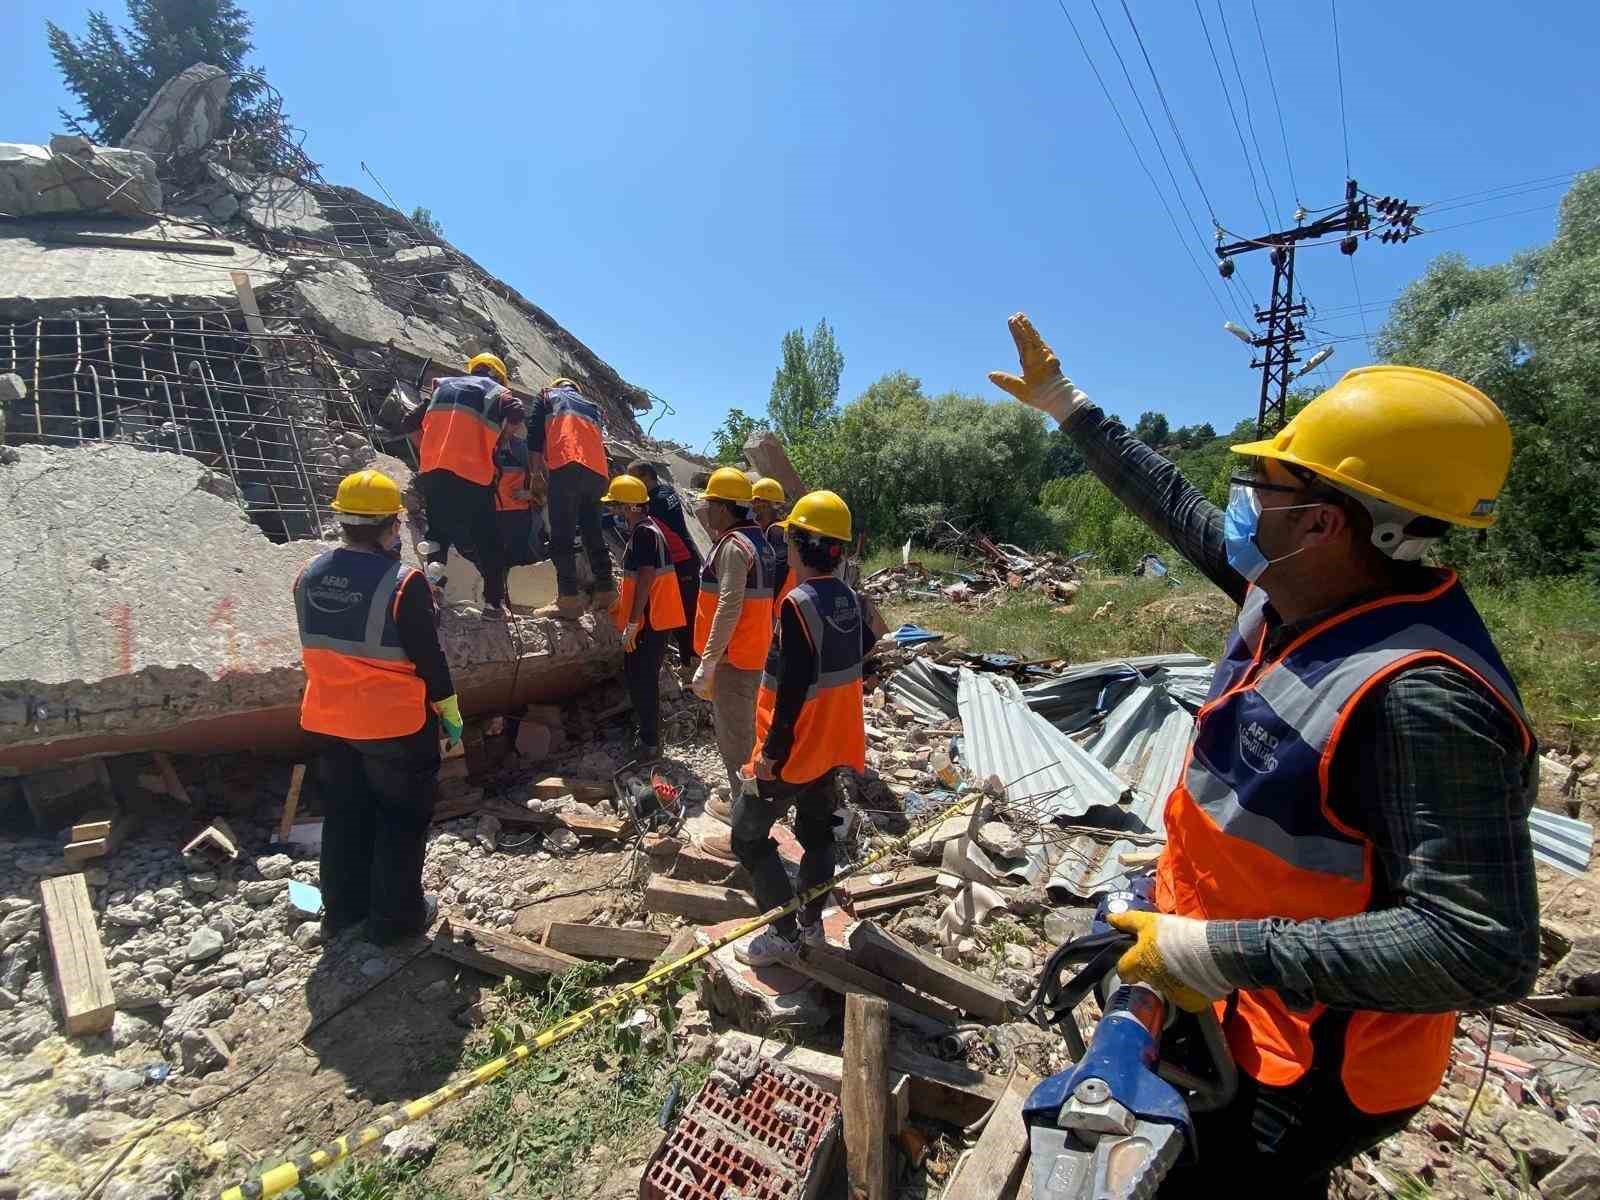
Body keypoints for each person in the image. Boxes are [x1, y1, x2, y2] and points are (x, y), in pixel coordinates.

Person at [990, 314, 1538, 1193]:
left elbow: (1480, 947)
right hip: (1222, 988)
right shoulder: (1289, 587)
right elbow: (1172, 503)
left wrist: (1212, 954)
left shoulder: (1421, 694)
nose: (1241, 499)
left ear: (1320, 521)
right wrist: (1067, 405)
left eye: (1262, 484)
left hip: (1309, 1060)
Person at [292, 470, 465, 945]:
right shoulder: (405, 582)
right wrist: (448, 711)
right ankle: (395, 920)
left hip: (328, 718)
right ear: (391, 526)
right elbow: (429, 657)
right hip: (392, 724)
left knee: (345, 814)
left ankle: (342, 912)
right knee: (401, 819)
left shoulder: (307, 574)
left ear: (343, 521)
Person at [727, 491, 873, 966]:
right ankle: (811, 923)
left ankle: (786, 934)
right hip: (834, 745)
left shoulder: (798, 604)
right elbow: (861, 655)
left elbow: (790, 693)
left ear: (798, 544)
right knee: (817, 835)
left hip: (795, 750)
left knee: (746, 839)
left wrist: (770, 755)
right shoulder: (849, 598)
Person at [403, 353, 526, 617]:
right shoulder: (496, 391)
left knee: (437, 535)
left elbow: (410, 424)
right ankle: (494, 604)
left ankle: (434, 593)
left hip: (434, 472)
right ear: (498, 375)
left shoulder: (443, 386)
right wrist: (503, 439)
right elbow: (517, 411)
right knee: (489, 541)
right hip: (473, 475)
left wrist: (429, 451)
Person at [690, 467, 777, 802]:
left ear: (724, 507)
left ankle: (745, 812)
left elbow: (729, 606)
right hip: (755, 654)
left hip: (734, 659)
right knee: (750, 732)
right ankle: (750, 794)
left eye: (710, 503)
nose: (706, 510)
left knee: (735, 738)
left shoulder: (732, 546)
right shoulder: (759, 541)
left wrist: (709, 661)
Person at [602, 473, 688, 760]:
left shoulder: (643, 533)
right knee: (640, 676)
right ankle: (648, 735)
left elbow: (647, 575)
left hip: (649, 621)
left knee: (642, 679)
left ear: (629, 506)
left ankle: (650, 742)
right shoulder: (649, 530)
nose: (612, 510)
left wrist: (633, 621)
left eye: (616, 505)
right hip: (653, 619)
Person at [527, 376, 615, 620]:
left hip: (567, 465)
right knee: (592, 532)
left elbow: (534, 440)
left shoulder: (547, 396)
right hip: (597, 473)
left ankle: (568, 599)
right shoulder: (593, 408)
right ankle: (606, 589)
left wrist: (535, 476)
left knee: (562, 537)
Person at [628, 459, 703, 676]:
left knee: (686, 615)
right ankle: (690, 661)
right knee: (683, 614)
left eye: (633, 477)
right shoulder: (665, 492)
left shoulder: (656, 500)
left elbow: (641, 519)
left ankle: (693, 664)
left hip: (682, 562)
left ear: (645, 477)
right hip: (680, 561)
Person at [491, 430, 541, 570]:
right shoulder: (483, 446)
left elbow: (543, 479)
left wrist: (531, 493)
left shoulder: (521, 448)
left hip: (519, 516)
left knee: (523, 561)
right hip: (490, 515)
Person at [750, 477, 794, 608]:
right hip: (788, 601)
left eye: (755, 506)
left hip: (779, 604)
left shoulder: (775, 532)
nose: (754, 512)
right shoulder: (783, 528)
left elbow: (778, 571)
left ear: (764, 505)